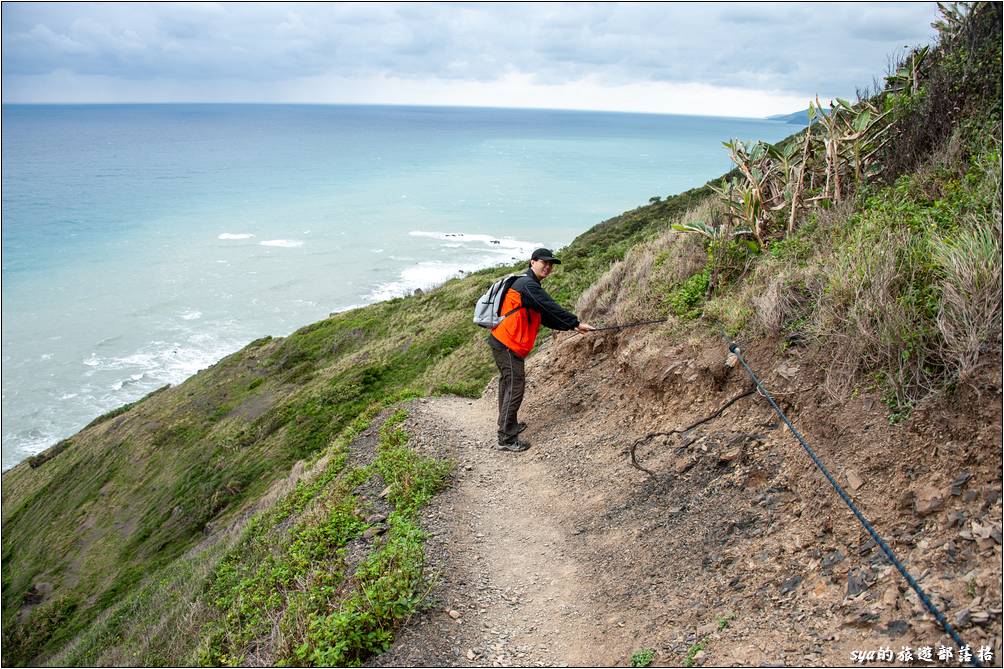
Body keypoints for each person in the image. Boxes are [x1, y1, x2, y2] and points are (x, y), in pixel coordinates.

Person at [487, 248, 595, 452]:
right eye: (543, 262)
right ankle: (507, 438)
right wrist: (575, 321)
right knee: (515, 386)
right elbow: (549, 306)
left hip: (504, 342)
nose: (547, 266)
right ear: (532, 262)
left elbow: (545, 316)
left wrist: (572, 326)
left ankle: (507, 425)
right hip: (508, 343)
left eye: (550, 264)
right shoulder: (527, 285)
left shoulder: (528, 284)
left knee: (508, 384)